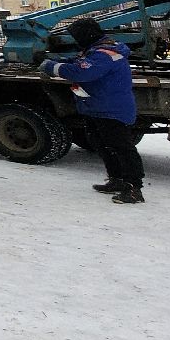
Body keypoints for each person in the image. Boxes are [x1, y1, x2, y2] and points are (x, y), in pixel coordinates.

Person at [39, 18, 144, 204]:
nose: (75, 40)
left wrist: (51, 67)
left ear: (86, 35)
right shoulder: (97, 49)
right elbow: (80, 61)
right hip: (97, 107)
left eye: (76, 36)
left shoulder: (104, 54)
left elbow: (82, 71)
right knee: (103, 144)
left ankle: (133, 188)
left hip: (111, 109)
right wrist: (60, 60)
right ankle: (117, 180)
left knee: (121, 147)